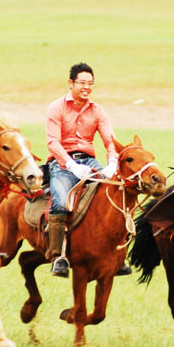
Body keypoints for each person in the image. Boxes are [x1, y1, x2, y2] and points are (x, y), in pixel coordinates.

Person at [45, 62, 130, 278]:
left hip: (90, 162)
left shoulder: (98, 111)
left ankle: (118, 255)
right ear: (71, 83)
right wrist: (71, 165)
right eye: (82, 82)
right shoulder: (56, 108)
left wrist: (112, 162)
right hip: (62, 163)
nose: (86, 87)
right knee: (61, 201)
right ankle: (58, 256)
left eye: (90, 83)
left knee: (115, 195)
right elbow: (53, 143)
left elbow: (111, 141)